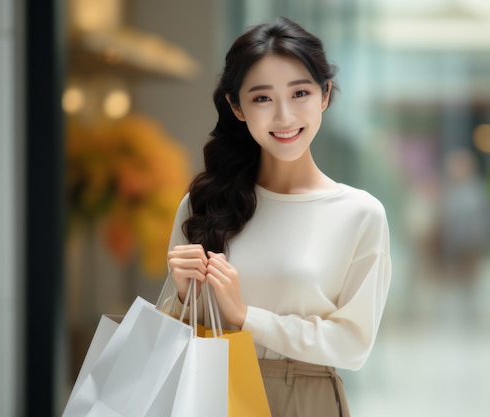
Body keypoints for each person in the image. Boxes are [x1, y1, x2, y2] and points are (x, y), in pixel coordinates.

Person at [160, 17, 391, 417]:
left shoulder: (360, 214)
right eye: (263, 98)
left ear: (325, 95)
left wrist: (247, 317)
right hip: (210, 392)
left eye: (300, 92)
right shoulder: (205, 203)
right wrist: (184, 295)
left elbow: (353, 345)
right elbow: (171, 332)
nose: (284, 117)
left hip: (305, 397)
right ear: (237, 107)